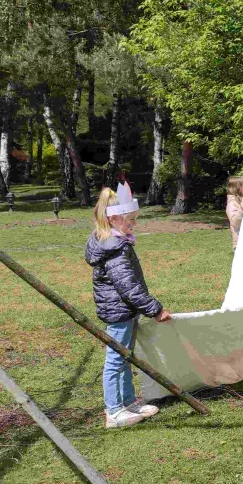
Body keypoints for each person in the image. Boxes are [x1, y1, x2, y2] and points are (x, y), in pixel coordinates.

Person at [84, 182, 172, 429]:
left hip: (125, 310)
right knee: (116, 360)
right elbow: (128, 287)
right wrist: (155, 309)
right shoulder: (114, 249)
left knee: (125, 357)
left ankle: (128, 402)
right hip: (119, 312)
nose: (134, 224)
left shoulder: (115, 242)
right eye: (130, 220)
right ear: (114, 219)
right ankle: (114, 411)